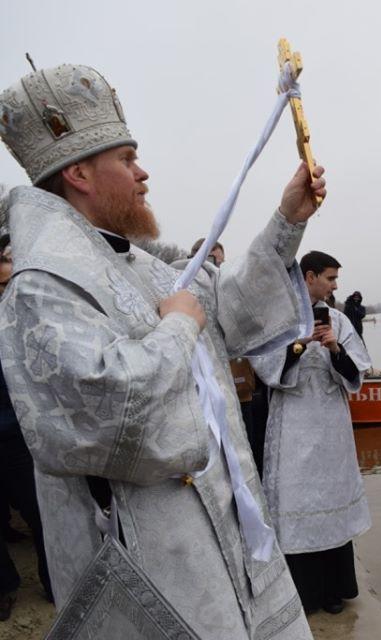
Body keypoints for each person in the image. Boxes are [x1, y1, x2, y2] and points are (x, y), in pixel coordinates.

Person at [0, 63, 325, 638]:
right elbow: (104, 417)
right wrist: (176, 329)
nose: (142, 172)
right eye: (127, 160)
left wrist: (286, 221)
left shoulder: (138, 264)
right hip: (153, 555)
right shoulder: (43, 286)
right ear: (78, 172)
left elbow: (231, 312)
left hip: (225, 528)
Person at [251, 251, 371, 615]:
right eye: (330, 278)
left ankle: (335, 589)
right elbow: (266, 366)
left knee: (331, 502)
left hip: (331, 425)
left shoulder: (338, 319)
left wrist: (335, 347)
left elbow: (358, 372)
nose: (335, 285)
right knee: (296, 502)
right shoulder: (280, 318)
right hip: (294, 424)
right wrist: (302, 343)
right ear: (309, 276)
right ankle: (304, 593)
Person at [0, 237, 53, 619]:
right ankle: (4, 586)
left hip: (18, 435)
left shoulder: (24, 322)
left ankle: (56, 579)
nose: (6, 293)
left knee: (39, 510)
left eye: (8, 284)